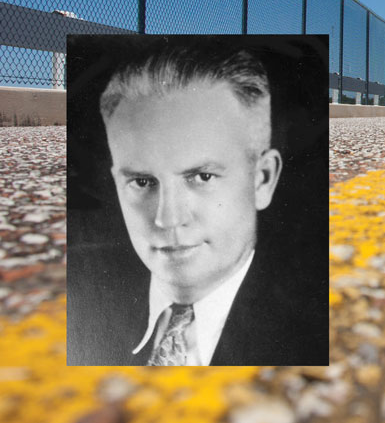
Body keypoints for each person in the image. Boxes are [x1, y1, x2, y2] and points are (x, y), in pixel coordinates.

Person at [67, 39, 327, 366]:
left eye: (201, 177)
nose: (168, 218)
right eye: (142, 182)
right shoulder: (71, 285)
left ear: (262, 179)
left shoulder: (321, 328)